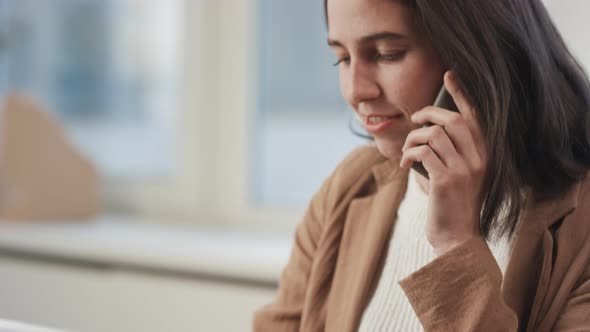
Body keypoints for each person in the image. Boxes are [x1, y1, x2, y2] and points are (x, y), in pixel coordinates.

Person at [253, 0, 590, 331]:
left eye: (387, 53)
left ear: (476, 52)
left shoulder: (581, 232)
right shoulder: (351, 184)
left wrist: (456, 245)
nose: (355, 90)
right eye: (341, 58)